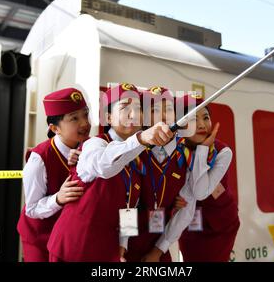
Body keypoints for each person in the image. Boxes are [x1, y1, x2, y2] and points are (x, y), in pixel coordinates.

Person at [47, 83, 173, 262]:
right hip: (73, 247)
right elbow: (104, 166)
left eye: (138, 108)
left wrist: (123, 244)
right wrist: (141, 139)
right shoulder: (95, 144)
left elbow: (130, 207)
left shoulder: (138, 158)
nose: (134, 114)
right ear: (108, 117)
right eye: (124, 107)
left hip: (105, 250)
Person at [16, 87, 90, 262]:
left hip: (70, 237)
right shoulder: (39, 159)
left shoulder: (89, 149)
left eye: (85, 115)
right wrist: (58, 198)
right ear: (55, 128)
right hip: (40, 238)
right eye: (74, 118)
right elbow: (32, 209)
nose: (84, 123)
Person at [124, 86, 189, 262]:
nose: (162, 115)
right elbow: (128, 205)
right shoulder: (132, 151)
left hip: (161, 245)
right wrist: (122, 247)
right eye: (154, 110)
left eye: (168, 109)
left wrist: (157, 252)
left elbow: (188, 209)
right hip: (129, 242)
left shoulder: (186, 154)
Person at [178, 94, 240, 262]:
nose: (201, 124)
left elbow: (200, 192)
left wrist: (203, 150)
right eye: (192, 119)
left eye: (206, 117)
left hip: (220, 224)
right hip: (189, 223)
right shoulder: (176, 151)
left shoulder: (223, 151)